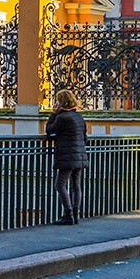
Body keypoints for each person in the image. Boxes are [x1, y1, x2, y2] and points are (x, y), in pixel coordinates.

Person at [45, 89, 88, 226]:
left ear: (61, 102)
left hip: (67, 155)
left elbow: (49, 129)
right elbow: (84, 137)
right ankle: (75, 215)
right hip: (80, 155)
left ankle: (68, 214)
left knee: (60, 184)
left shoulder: (62, 118)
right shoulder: (79, 117)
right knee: (76, 185)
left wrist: (53, 113)